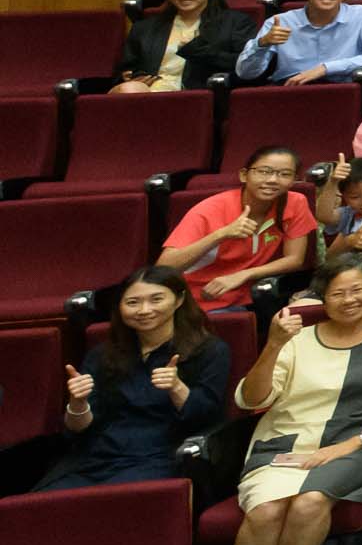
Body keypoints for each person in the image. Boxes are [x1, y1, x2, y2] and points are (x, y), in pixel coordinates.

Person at [41, 265, 229, 488]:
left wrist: (176, 387)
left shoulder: (209, 350)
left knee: (108, 503)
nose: (144, 310)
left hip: (161, 456)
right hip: (97, 457)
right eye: (132, 303)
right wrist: (78, 403)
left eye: (156, 299)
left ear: (179, 300)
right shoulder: (102, 354)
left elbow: (208, 418)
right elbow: (77, 428)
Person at [158, 144, 318, 313]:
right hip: (195, 299)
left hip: (245, 294)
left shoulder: (295, 203)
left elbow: (295, 259)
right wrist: (221, 234)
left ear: (294, 180)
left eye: (285, 174)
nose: (273, 180)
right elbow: (164, 267)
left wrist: (243, 275)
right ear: (244, 175)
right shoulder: (210, 209)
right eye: (264, 171)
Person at [111, 0, 256, 93]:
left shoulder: (235, 23)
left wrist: (199, 51)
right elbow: (126, 67)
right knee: (129, 89)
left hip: (197, 96)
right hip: (149, 92)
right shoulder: (145, 27)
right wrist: (130, 75)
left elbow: (245, 65)